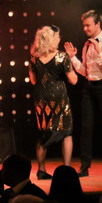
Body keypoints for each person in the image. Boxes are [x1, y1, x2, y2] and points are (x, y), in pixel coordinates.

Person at [64, 9, 102, 177]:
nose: (85, 29)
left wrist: (99, 51)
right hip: (89, 87)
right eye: (84, 26)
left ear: (97, 24)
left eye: (88, 25)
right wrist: (72, 58)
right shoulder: (86, 45)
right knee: (86, 127)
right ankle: (84, 166)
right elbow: (84, 71)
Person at [28, 25, 77, 179]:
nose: (59, 39)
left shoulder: (34, 58)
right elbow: (74, 80)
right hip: (59, 101)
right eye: (57, 37)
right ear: (50, 39)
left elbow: (33, 80)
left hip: (42, 101)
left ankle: (41, 170)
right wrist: (70, 59)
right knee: (66, 132)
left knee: (44, 133)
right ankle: (67, 170)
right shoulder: (62, 57)